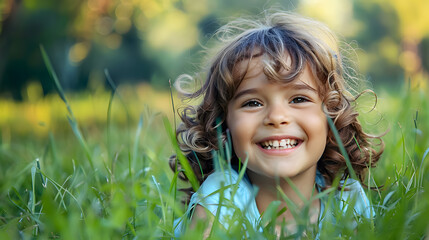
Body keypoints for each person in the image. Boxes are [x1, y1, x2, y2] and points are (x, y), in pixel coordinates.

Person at [170, 10, 384, 238]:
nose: (276, 116)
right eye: (252, 103)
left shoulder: (346, 198)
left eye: (299, 99)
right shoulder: (221, 197)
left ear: (331, 115)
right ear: (223, 124)